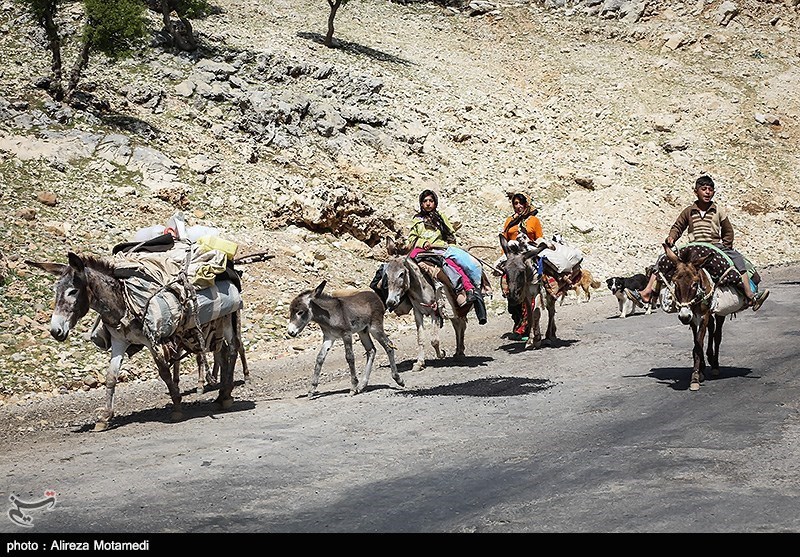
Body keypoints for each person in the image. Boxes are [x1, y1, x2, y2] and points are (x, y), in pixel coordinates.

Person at [626, 175, 769, 311]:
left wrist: (726, 245)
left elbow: (728, 230)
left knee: (738, 260)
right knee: (662, 259)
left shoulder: (718, 210)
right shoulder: (689, 211)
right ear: (696, 192)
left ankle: (750, 296)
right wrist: (671, 237)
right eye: (704, 189)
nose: (707, 192)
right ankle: (646, 293)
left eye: (710, 189)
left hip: (715, 246)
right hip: (694, 247)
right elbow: (678, 227)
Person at [407, 189, 488, 325]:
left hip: (439, 250)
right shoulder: (416, 220)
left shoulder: (441, 217)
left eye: (431, 201)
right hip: (420, 251)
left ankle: (467, 290)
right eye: (425, 201)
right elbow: (411, 239)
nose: (428, 204)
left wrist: (441, 245)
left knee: (454, 265)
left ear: (435, 203)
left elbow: (450, 235)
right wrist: (423, 243)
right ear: (421, 203)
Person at [498, 192, 544, 340]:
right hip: (512, 258)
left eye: (520, 203)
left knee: (528, 292)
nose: (518, 206)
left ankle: (526, 327)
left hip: (527, 255)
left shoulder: (534, 220)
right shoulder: (509, 221)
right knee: (509, 291)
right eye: (515, 203)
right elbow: (504, 240)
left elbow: (539, 238)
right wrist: (504, 259)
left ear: (526, 204)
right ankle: (518, 321)